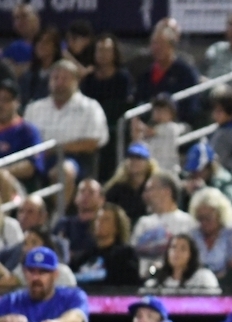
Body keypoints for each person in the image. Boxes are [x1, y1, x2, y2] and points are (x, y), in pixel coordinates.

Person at [23, 60, 109, 208]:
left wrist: (57, 149)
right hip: (38, 156)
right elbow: (23, 137)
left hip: (76, 158)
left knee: (64, 171)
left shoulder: (90, 107)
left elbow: (93, 142)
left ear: (76, 81)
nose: (59, 83)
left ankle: (57, 219)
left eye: (65, 78)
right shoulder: (34, 108)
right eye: (55, 78)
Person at [79, 34, 134, 181]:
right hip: (92, 128)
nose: (103, 55)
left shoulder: (123, 78)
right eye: (99, 50)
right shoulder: (88, 80)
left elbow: (124, 105)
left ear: (114, 53)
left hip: (115, 128)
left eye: (107, 50)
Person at [131, 171, 197, 276]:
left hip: (176, 283)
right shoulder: (143, 223)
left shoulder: (187, 222)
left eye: (150, 190)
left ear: (166, 191)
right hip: (145, 282)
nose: (145, 195)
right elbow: (134, 255)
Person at [134, 25, 200, 124]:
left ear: (172, 46)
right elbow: (139, 102)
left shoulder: (186, 72)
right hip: (149, 125)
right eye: (154, 43)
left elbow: (191, 107)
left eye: (161, 44)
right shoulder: (145, 74)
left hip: (177, 126)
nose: (157, 48)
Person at [71, 202, 141, 288]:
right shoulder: (84, 256)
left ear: (117, 226)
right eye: (98, 219)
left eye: (106, 219)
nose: (100, 222)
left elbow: (129, 284)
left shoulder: (126, 255)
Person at [189, 187, 232, 281]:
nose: (204, 222)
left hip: (230, 284)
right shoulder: (193, 234)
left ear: (220, 214)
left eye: (208, 218)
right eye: (200, 218)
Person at [0, 77, 44, 205]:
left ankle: (4, 223)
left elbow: (31, 166)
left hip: (17, 187)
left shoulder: (27, 130)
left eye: (6, 100)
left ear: (17, 102)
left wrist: (4, 170)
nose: (1, 104)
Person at [142, 233, 221, 293]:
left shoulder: (203, 277)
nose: (176, 252)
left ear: (191, 254)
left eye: (183, 249)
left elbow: (214, 304)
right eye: (173, 247)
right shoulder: (155, 282)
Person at [131, 93, 186, 175]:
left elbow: (181, 128)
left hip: (170, 174)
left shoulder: (173, 127)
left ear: (172, 113)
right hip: (153, 174)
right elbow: (141, 150)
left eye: (163, 110)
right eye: (156, 110)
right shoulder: (148, 135)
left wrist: (141, 128)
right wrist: (136, 135)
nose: (159, 113)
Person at [53, 178, 105, 263]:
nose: (85, 195)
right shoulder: (64, 224)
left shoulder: (103, 225)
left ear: (101, 200)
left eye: (91, 192)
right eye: (82, 191)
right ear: (75, 198)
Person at [104, 142, 158, 223]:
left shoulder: (155, 187)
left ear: (148, 163)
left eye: (139, 158)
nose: (134, 161)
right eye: (131, 158)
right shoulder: (116, 189)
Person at [18, 26, 61, 104]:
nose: (41, 45)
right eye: (38, 41)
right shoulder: (28, 75)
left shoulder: (61, 74)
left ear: (55, 47)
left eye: (46, 42)